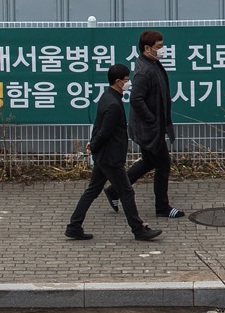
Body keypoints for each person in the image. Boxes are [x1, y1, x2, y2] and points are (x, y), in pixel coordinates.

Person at [66, 63, 160, 241]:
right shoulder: (114, 104)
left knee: (93, 190)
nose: (129, 83)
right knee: (126, 192)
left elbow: (98, 126)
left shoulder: (107, 97)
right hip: (111, 158)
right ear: (117, 81)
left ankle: (74, 226)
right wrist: (93, 145)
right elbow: (104, 131)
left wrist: (93, 145)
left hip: (103, 156)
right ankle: (138, 230)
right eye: (126, 80)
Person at [123, 29, 186, 220]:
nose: (163, 50)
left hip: (152, 126)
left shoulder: (152, 63)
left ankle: (115, 190)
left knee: (149, 162)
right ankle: (162, 207)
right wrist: (151, 119)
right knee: (163, 165)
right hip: (150, 128)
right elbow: (136, 99)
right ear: (147, 48)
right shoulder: (144, 71)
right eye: (159, 47)